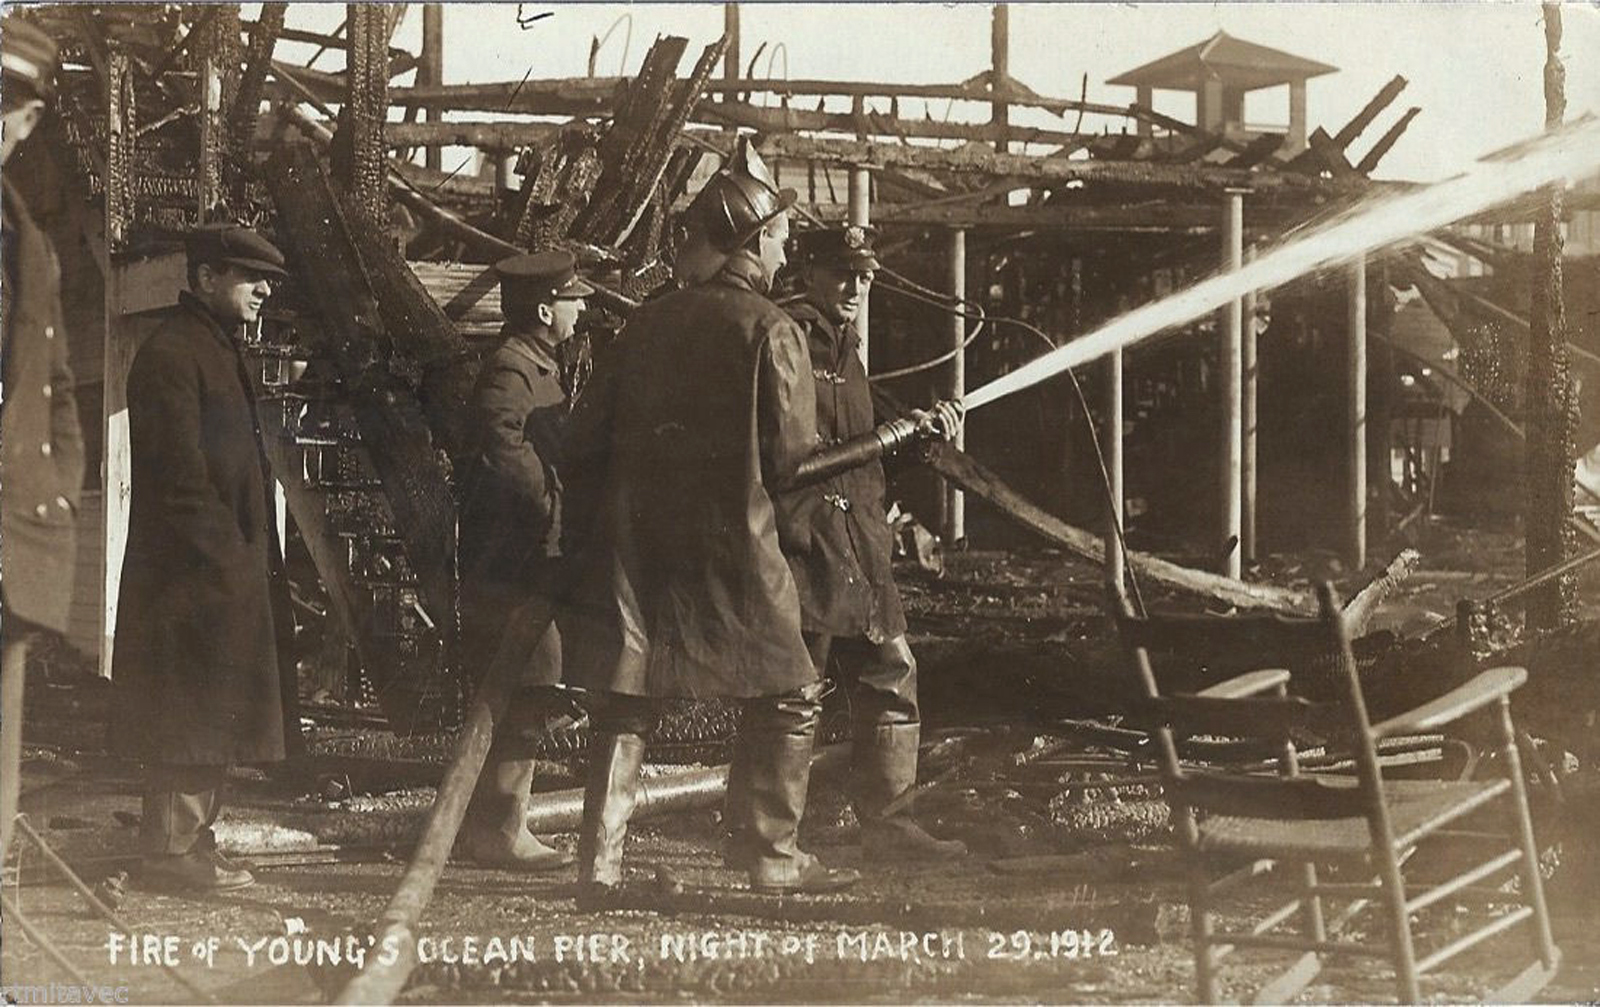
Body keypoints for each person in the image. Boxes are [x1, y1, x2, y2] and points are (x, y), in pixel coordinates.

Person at [560, 141, 862, 897]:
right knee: (789, 690)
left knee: (629, 695)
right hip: (738, 541)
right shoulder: (771, 330)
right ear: (752, 239)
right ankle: (769, 855)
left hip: (641, 545)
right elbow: (791, 465)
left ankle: (599, 864)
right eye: (780, 234)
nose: (788, 244)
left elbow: (583, 440)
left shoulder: (644, 326)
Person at [761, 226, 966, 863]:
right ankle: (773, 842)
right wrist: (891, 437)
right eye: (843, 273)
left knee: (893, 674)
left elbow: (858, 463)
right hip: (810, 544)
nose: (856, 287)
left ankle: (890, 825)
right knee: (797, 692)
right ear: (811, 272)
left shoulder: (848, 349)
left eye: (866, 275)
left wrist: (920, 440)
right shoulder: (787, 337)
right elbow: (787, 461)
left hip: (860, 547)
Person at [112, 224, 297, 893]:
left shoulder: (216, 349)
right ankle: (167, 851)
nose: (264, 291)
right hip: (187, 576)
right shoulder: (171, 354)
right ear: (208, 277)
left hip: (221, 569)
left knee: (214, 710)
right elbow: (178, 478)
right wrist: (228, 555)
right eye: (252, 279)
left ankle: (194, 839)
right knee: (186, 713)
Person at [454, 250, 591, 870]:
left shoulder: (540, 364)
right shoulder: (511, 370)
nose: (582, 307)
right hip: (509, 564)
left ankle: (500, 823)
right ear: (544, 308)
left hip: (530, 557)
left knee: (532, 688)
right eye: (572, 299)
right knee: (521, 690)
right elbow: (501, 449)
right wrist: (552, 501)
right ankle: (498, 829)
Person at [0, 16, 85, 863]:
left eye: (8, 104)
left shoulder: (33, 248)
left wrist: (57, 486)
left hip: (8, 540)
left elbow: (57, 388)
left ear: (28, 123)